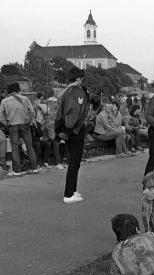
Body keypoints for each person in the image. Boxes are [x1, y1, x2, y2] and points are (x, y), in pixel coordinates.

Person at [55, 67, 91, 204]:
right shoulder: (77, 92)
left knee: (73, 162)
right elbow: (74, 112)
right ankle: (69, 193)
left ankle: (73, 190)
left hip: (67, 129)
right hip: (74, 130)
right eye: (81, 78)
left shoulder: (65, 91)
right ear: (78, 78)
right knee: (74, 162)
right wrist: (69, 129)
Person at [0, 82, 39, 175]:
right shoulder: (25, 99)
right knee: (29, 146)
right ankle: (35, 167)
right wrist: (31, 120)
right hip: (25, 124)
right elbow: (32, 111)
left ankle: (17, 170)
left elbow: (0, 117)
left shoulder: (5, 101)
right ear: (18, 89)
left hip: (13, 125)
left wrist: (7, 123)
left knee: (15, 148)